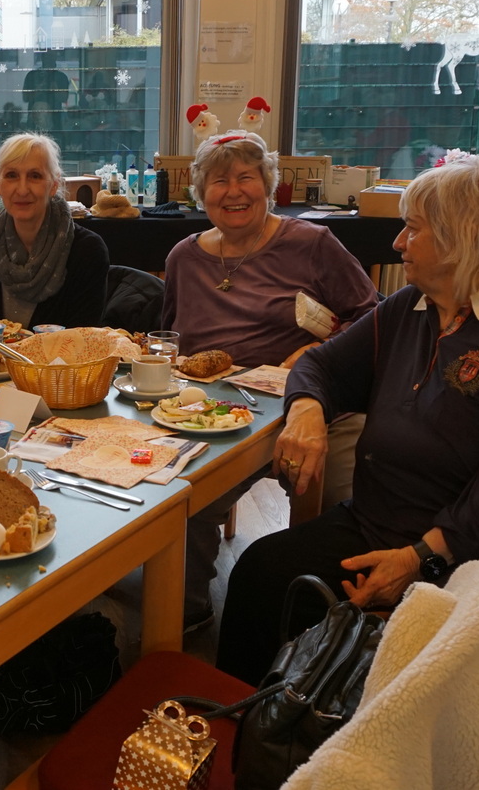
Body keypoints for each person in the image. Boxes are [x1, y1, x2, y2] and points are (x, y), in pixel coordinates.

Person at [216, 155, 479, 680]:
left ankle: (314, 724)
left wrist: (419, 557)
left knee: (373, 657)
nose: (399, 242)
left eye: (413, 229)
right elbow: (320, 364)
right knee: (262, 574)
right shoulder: (412, 308)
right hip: (392, 525)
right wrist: (307, 411)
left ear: (460, 239)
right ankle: (244, 724)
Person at [161, 131, 379, 631]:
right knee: (175, 494)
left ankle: (326, 626)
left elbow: (372, 317)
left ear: (269, 185)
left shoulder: (311, 243)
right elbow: (171, 339)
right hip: (213, 414)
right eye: (219, 181)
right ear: (201, 193)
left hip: (307, 405)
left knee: (346, 512)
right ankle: (182, 611)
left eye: (246, 177)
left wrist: (315, 355)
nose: (234, 191)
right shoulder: (183, 258)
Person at [0, 133, 109, 328]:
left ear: (54, 185)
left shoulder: (87, 250)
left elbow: (81, 339)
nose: (22, 190)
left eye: (35, 176)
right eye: (11, 175)